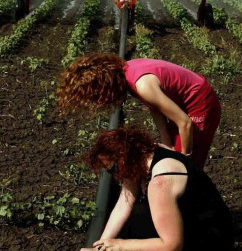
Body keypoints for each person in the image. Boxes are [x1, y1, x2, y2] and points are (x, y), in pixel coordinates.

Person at [74, 126, 233, 251]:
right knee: (135, 214)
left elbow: (172, 245)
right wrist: (99, 247)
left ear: (124, 159)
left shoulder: (161, 182)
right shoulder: (146, 156)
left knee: (141, 215)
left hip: (213, 246)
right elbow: (123, 204)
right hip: (204, 232)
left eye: (112, 169)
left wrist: (121, 245)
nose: (115, 176)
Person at [57, 54, 221, 167]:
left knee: (187, 160)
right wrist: (166, 142)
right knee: (173, 152)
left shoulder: (142, 85)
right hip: (186, 100)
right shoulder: (128, 70)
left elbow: (185, 123)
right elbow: (155, 106)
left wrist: (185, 164)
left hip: (201, 101)